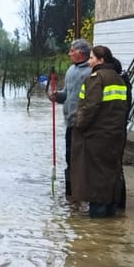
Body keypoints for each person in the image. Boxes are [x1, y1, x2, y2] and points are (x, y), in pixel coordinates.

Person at [71, 45, 129, 218]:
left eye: (91, 58)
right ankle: (110, 217)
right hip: (115, 135)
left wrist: (79, 126)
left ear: (101, 60)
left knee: (94, 177)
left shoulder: (96, 78)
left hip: (96, 136)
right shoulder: (119, 79)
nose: (89, 62)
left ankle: (97, 220)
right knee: (110, 173)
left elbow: (89, 108)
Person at [48, 39, 92, 199]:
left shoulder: (90, 72)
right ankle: (71, 194)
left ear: (80, 52)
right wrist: (57, 96)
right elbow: (67, 94)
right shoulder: (70, 71)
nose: (69, 53)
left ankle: (83, 192)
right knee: (69, 157)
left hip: (85, 124)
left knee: (83, 159)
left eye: (72, 50)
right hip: (70, 123)